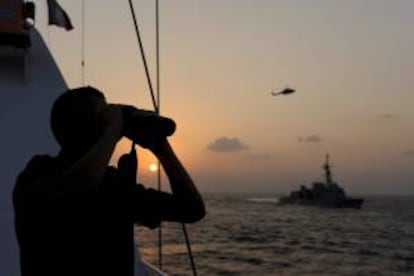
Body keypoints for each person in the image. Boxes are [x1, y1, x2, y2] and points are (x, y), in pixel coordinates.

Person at [13, 86, 205, 276]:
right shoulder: (38, 173)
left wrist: (161, 148)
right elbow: (78, 192)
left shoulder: (113, 185)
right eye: (95, 113)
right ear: (67, 129)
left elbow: (191, 209)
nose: (103, 120)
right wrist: (113, 128)